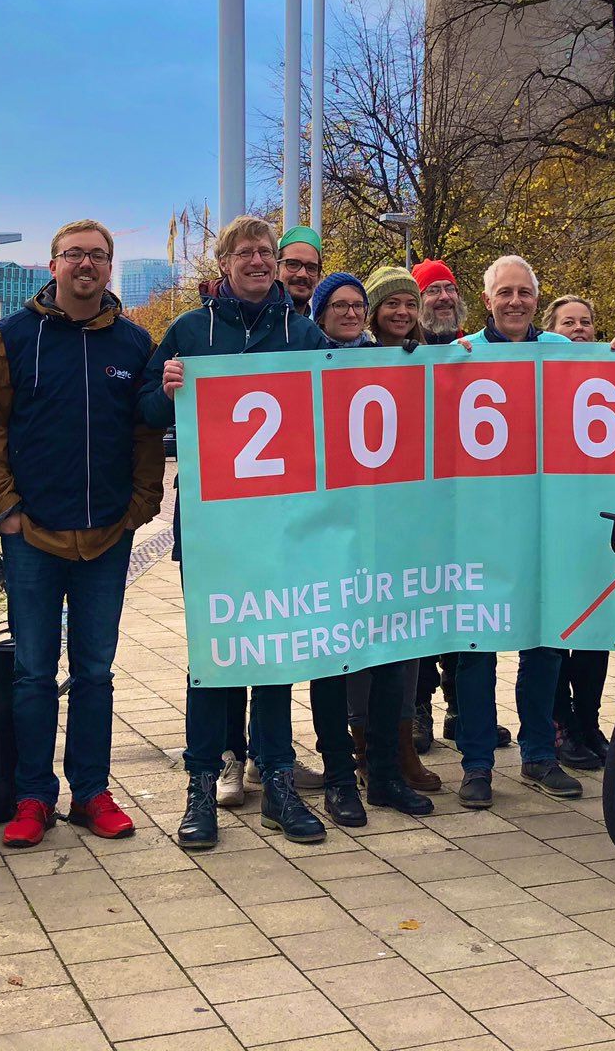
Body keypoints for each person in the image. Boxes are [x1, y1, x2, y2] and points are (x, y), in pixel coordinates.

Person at [0, 220, 165, 850]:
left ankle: (91, 792)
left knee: (96, 672)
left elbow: (145, 431)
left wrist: (140, 504)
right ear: (51, 265)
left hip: (106, 535)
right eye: (74, 255)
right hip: (34, 536)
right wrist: (5, 510)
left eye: (98, 256)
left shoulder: (135, 344)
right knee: (31, 673)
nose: (86, 264)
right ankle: (32, 796)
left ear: (110, 267)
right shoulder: (15, 337)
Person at [144, 214, 334, 851]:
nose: (257, 261)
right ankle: (202, 784)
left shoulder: (303, 333)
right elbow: (143, 410)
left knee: (275, 653)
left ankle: (277, 779)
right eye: (244, 253)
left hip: (281, 522)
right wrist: (165, 387)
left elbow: (338, 410)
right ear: (224, 264)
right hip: (212, 523)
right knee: (214, 656)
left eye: (266, 252)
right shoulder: (190, 329)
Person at [297, 274, 436, 826]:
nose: (351, 313)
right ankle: (339, 779)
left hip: (390, 528)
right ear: (322, 312)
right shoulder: (303, 359)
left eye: (358, 305)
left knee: (390, 652)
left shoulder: (396, 360)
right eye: (341, 305)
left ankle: (383, 776)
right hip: (331, 529)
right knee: (335, 659)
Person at [450, 255, 582, 808]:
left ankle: (538, 754)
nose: (515, 301)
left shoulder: (565, 354)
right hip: (480, 526)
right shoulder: (462, 357)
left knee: (545, 640)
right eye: (504, 292)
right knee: (476, 648)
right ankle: (477, 764)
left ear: (536, 296)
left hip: (545, 524)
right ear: (487, 300)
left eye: (524, 292)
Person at [540, 296, 614, 774]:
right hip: (550, 519)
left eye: (586, 321)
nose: (579, 329)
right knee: (556, 630)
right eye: (569, 322)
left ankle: (589, 720)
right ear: (551, 330)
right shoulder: (536, 368)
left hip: (594, 516)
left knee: (595, 629)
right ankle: (561, 722)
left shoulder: (611, 371)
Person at [409, 257, 473, 751]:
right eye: (432, 292)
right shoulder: (398, 353)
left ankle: (460, 708)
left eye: (448, 290)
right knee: (419, 609)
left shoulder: (476, 352)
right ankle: (419, 710)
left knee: (463, 610)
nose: (443, 298)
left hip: (465, 501)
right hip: (415, 503)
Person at [412, 259, 465, 344]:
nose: (445, 297)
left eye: (450, 289)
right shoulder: (400, 350)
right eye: (433, 290)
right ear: (418, 302)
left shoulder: (476, 348)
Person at [277, 225, 324, 311]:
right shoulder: (253, 321)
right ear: (276, 270)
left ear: (318, 277)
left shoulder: (313, 324)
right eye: (293, 264)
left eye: (311, 268)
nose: (303, 274)